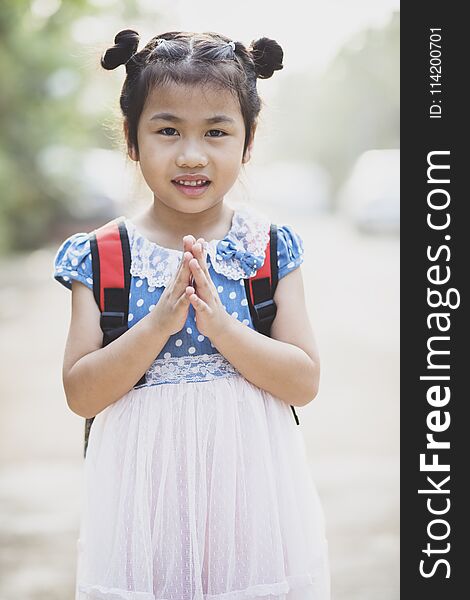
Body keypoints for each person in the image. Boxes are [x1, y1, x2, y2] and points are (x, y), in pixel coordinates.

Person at [52, 29, 330, 600]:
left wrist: (220, 326)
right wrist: (157, 323)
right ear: (132, 138)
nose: (191, 154)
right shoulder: (104, 255)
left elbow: (303, 380)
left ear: (248, 142)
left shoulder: (270, 248)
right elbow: (82, 394)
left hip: (251, 507)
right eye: (168, 129)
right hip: (141, 512)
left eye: (217, 132)